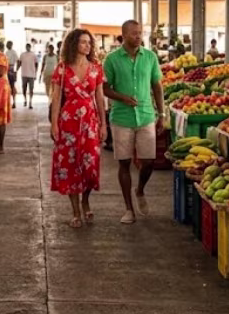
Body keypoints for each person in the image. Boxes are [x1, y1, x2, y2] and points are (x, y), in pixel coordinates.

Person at [103, 20, 164, 224]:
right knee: (124, 163)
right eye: (134, 33)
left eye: (140, 33)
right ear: (124, 35)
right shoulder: (111, 60)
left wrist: (162, 114)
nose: (138, 36)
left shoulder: (150, 57)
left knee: (149, 161)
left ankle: (140, 190)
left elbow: (157, 86)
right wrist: (122, 98)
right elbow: (105, 88)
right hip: (121, 117)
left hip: (146, 115)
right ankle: (129, 209)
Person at [49, 29, 106, 228]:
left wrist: (103, 124)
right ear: (74, 44)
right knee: (70, 166)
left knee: (90, 165)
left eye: (89, 42)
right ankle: (75, 211)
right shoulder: (62, 69)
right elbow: (56, 98)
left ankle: (86, 200)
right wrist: (54, 124)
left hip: (90, 122)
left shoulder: (96, 68)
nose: (87, 46)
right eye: (83, 42)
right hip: (68, 122)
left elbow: (100, 98)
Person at [19, 43, 38, 108]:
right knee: (24, 88)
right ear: (25, 47)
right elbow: (20, 63)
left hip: (31, 75)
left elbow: (36, 64)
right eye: (27, 47)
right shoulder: (22, 54)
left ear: (30, 47)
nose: (28, 48)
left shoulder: (33, 55)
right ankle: (25, 100)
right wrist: (16, 70)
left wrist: (35, 73)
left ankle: (30, 102)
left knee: (31, 89)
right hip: (24, 74)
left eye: (28, 47)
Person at [5, 41, 19, 108]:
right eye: (7, 44)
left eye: (8, 44)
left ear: (11, 45)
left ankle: (14, 102)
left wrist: (16, 70)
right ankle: (8, 102)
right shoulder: (6, 52)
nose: (7, 45)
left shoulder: (13, 52)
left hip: (11, 68)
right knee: (7, 86)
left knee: (12, 86)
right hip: (6, 69)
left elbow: (18, 61)